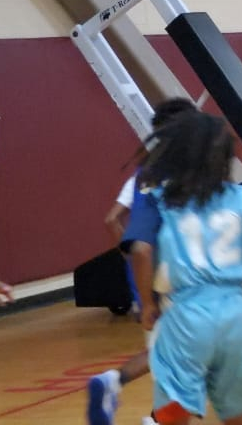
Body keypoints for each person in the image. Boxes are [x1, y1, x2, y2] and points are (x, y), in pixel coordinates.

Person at [121, 110, 242, 425]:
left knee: (174, 410)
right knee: (237, 411)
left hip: (186, 315)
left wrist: (148, 303)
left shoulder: (160, 198)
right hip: (239, 316)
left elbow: (140, 251)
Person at [89, 98, 196, 425]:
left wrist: (130, 256)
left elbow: (112, 219)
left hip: (145, 276)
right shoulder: (189, 176)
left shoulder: (141, 174)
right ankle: (156, 416)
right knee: (185, 358)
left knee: (168, 352)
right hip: (178, 280)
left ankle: (114, 382)